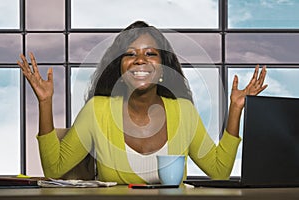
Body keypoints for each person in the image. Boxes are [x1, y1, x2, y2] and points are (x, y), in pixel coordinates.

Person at [17, 21, 267, 184]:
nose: (140, 60)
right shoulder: (98, 110)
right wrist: (45, 103)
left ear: (162, 69)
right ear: (121, 68)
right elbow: (55, 169)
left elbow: (219, 171)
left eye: (150, 54)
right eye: (130, 54)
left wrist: (236, 109)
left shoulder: (184, 112)